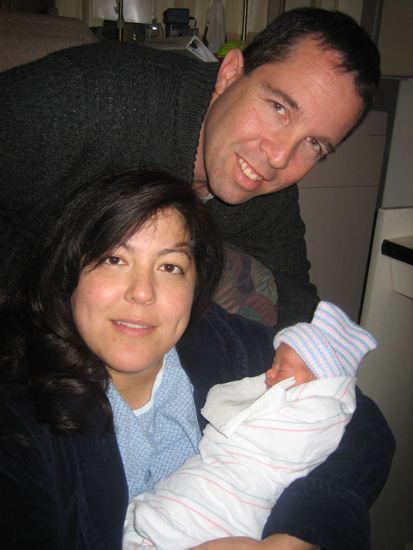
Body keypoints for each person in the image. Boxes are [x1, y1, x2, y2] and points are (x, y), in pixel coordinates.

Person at [0, 168, 394, 550]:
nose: (142, 292)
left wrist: (293, 538)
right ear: (68, 271)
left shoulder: (226, 346)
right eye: (114, 259)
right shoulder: (18, 424)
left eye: (170, 266)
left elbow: (364, 424)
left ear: (196, 285)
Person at [0, 8, 381, 328]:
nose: (279, 157)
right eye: (279, 107)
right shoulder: (89, 98)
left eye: (314, 144)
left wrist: (308, 351)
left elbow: (294, 291)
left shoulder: (263, 181)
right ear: (230, 73)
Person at [123, 301, 377, 549]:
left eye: (281, 369)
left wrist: (289, 541)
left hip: (229, 513)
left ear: (318, 384)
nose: (269, 373)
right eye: (274, 365)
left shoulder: (318, 413)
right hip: (184, 494)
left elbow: (367, 427)